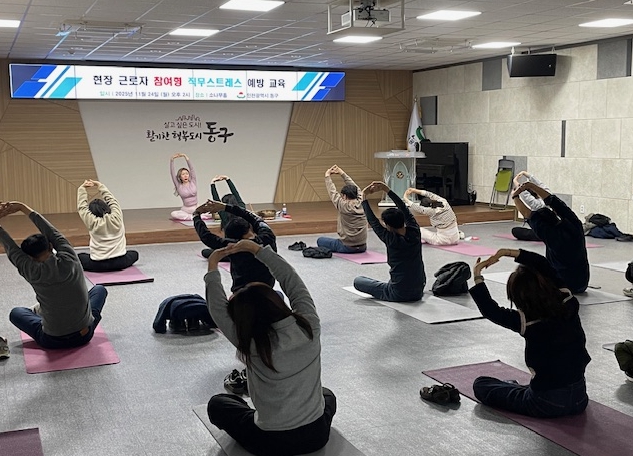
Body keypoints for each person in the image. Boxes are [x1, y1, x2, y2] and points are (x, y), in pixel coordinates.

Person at [205, 240, 336, 456]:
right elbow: (291, 280)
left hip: (269, 442)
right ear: (276, 302)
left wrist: (213, 263)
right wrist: (257, 250)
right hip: (317, 435)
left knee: (218, 404)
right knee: (327, 395)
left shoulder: (248, 341)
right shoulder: (309, 325)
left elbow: (217, 308)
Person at [469, 248, 590, 418]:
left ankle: (515, 389)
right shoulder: (568, 301)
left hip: (546, 403)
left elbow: (490, 310)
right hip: (580, 398)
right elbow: (543, 264)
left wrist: (477, 275)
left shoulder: (527, 321)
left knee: (481, 385)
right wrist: (506, 252)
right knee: (522, 386)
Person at [0, 201, 107, 349]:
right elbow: (53, 233)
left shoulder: (29, 269)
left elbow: (11, 248)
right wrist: (22, 207)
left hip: (52, 340)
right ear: (51, 246)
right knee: (99, 290)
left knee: (16, 313)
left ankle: (43, 310)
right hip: (85, 334)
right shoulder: (70, 258)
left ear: (29, 257)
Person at [512, 177, 589, 294]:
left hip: (562, 285)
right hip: (582, 283)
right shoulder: (575, 224)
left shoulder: (550, 235)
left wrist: (514, 196)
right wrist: (532, 186)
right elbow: (555, 202)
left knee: (527, 271)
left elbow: (528, 215)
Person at [353, 181, 425, 302]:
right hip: (418, 291)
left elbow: (373, 222)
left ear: (388, 226)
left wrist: (364, 197)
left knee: (358, 281)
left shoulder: (391, 239)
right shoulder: (414, 231)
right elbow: (403, 208)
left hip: (399, 293)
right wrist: (387, 190)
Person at [193, 200, 277, 292]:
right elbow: (254, 218)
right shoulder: (268, 237)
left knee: (209, 253)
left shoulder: (233, 246)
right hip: (268, 293)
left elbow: (207, 237)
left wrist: (196, 215)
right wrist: (225, 207)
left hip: (240, 295)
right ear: (250, 228)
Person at [77, 179, 139, 272]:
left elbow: (82, 207)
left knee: (79, 257)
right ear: (106, 207)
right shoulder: (117, 217)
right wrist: (100, 186)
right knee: (134, 254)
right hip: (120, 262)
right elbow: (112, 201)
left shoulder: (91, 221)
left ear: (91, 212)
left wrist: (82, 189)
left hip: (98, 264)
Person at [317, 165, 367, 253]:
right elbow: (356, 187)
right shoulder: (362, 203)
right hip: (363, 246)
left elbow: (332, 191)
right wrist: (342, 173)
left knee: (320, 240)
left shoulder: (342, 205)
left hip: (347, 247)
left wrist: (327, 176)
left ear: (344, 196)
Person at [200, 175, 247, 258]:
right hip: (246, 247)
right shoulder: (242, 208)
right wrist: (228, 180)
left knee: (206, 252)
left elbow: (216, 200)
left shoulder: (224, 214)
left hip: (231, 250)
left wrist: (212, 183)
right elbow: (236, 194)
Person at [169, 153, 209, 221]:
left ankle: (197, 215)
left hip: (196, 207)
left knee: (211, 212)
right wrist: (172, 160)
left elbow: (192, 169)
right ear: (180, 177)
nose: (185, 176)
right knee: (173, 214)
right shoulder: (178, 185)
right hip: (186, 210)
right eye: (183, 174)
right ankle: (193, 217)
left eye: (187, 174)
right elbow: (172, 173)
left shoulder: (193, 181)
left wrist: (186, 158)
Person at [510, 171, 546, 241]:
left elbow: (525, 194)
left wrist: (515, 181)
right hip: (557, 228)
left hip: (544, 231)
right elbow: (540, 184)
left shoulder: (537, 204)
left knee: (515, 231)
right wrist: (524, 173)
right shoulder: (547, 195)